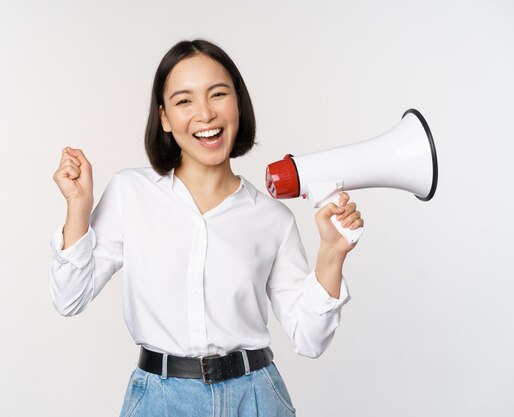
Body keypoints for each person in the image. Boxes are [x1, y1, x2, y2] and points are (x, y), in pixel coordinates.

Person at [49, 39, 364, 417]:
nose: (205, 114)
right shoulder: (130, 193)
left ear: (238, 105)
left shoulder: (272, 218)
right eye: (185, 101)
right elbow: (70, 298)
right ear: (164, 117)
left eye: (218, 94)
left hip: (257, 398)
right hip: (160, 402)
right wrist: (78, 207)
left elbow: (310, 340)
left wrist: (331, 253)